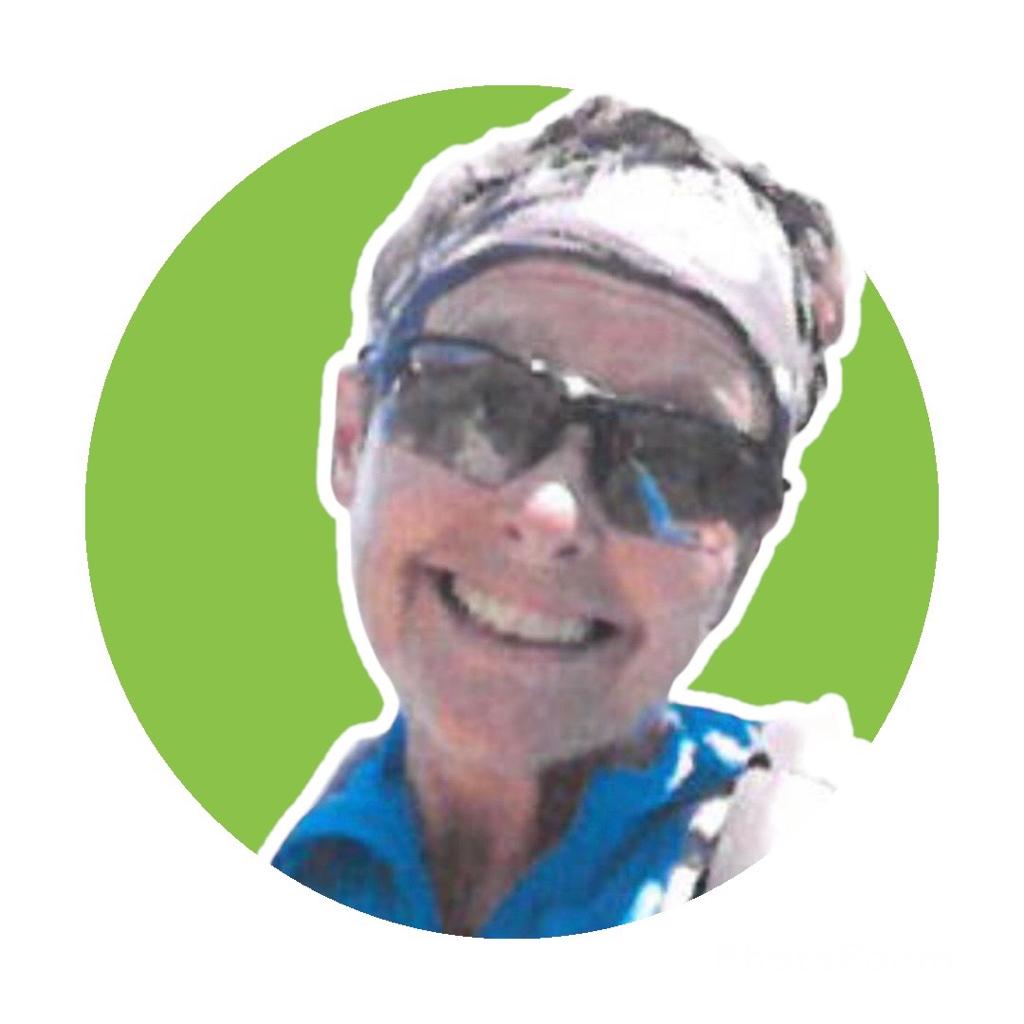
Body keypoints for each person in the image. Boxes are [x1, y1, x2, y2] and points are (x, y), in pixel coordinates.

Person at [264, 94, 865, 938]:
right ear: (352, 437)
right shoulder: (315, 857)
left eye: (678, 458)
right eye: (481, 403)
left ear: (746, 550)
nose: (550, 513)